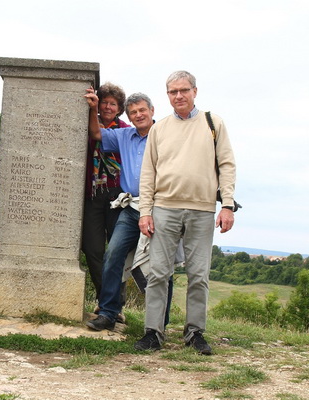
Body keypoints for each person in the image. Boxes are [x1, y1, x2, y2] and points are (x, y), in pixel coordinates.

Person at [136, 70, 236, 354]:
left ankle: (195, 333)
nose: (178, 96)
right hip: (164, 208)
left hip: (202, 209)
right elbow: (148, 172)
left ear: (194, 91)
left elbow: (227, 165)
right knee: (157, 273)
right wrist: (145, 211)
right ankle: (153, 332)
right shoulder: (160, 128)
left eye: (183, 90)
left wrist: (226, 204)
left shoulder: (213, 123)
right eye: (172, 92)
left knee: (199, 275)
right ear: (167, 96)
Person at [83, 90, 156, 331]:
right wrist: (93, 109)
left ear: (152, 111)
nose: (138, 115)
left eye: (142, 110)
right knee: (113, 253)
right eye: (134, 112)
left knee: (159, 261)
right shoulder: (124, 135)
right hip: (128, 204)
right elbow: (96, 134)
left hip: (155, 206)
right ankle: (107, 312)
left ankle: (158, 323)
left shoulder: (164, 136)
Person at [81, 82, 129, 310]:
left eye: (113, 104)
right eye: (105, 103)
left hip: (117, 196)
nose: (108, 107)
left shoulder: (125, 129)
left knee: (116, 251)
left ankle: (114, 305)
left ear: (119, 108)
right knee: (93, 249)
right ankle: (106, 299)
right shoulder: (87, 124)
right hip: (92, 193)